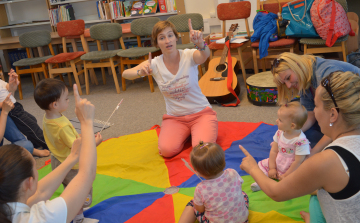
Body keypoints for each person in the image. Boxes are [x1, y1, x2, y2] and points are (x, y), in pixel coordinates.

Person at [239, 71, 360, 223]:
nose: (313, 112)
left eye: (315, 106)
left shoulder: (326, 160)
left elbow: (276, 193)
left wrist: (252, 168)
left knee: (314, 200)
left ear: (333, 115)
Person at [1, 84, 97, 223]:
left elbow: (42, 192)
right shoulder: (42, 216)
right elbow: (87, 174)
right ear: (29, 183)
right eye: (35, 167)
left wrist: (72, 157)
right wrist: (86, 121)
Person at [122, 19, 217, 158]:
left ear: (176, 38)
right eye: (162, 38)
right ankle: (188, 133)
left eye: (170, 35)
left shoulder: (188, 55)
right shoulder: (154, 64)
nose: (167, 40)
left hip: (200, 113)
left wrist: (200, 43)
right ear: (156, 43)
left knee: (202, 151)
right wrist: (140, 72)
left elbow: (204, 55)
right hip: (175, 118)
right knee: (166, 150)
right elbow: (125, 74)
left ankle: (198, 130)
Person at [34, 79, 102, 223]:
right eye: (66, 98)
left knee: (68, 188)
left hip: (57, 161)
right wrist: (93, 142)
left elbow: (62, 140)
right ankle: (78, 219)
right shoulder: (61, 126)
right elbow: (77, 148)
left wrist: (80, 136)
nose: (69, 100)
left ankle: (76, 216)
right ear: (55, 104)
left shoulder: (48, 117)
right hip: (71, 165)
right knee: (79, 192)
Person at [271, 52, 360, 156]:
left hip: (349, 119)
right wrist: (288, 134)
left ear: (297, 65)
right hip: (336, 118)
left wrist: (313, 153)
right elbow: (310, 113)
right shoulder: (304, 77)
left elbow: (338, 122)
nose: (288, 85)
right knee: (302, 137)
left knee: (327, 152)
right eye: (284, 83)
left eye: (288, 78)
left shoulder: (326, 74)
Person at [179, 141, 249, 223]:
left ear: (198, 172)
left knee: (193, 203)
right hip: (242, 220)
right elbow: (238, 186)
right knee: (243, 194)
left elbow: (200, 209)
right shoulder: (233, 172)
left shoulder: (200, 189)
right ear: (223, 161)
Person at [251, 101, 310, 192]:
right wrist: (272, 168)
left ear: (292, 125)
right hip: (279, 161)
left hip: (291, 168)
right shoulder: (280, 133)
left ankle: (274, 184)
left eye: (280, 120)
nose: (276, 121)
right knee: (261, 167)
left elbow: (298, 162)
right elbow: (274, 151)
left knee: (296, 180)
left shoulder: (301, 142)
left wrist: (286, 175)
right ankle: (262, 183)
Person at [0, 69, 50, 156]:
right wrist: (4, 106)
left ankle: (36, 144)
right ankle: (49, 145)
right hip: (11, 111)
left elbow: (9, 90)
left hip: (15, 106)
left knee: (32, 120)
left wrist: (12, 84)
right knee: (31, 127)